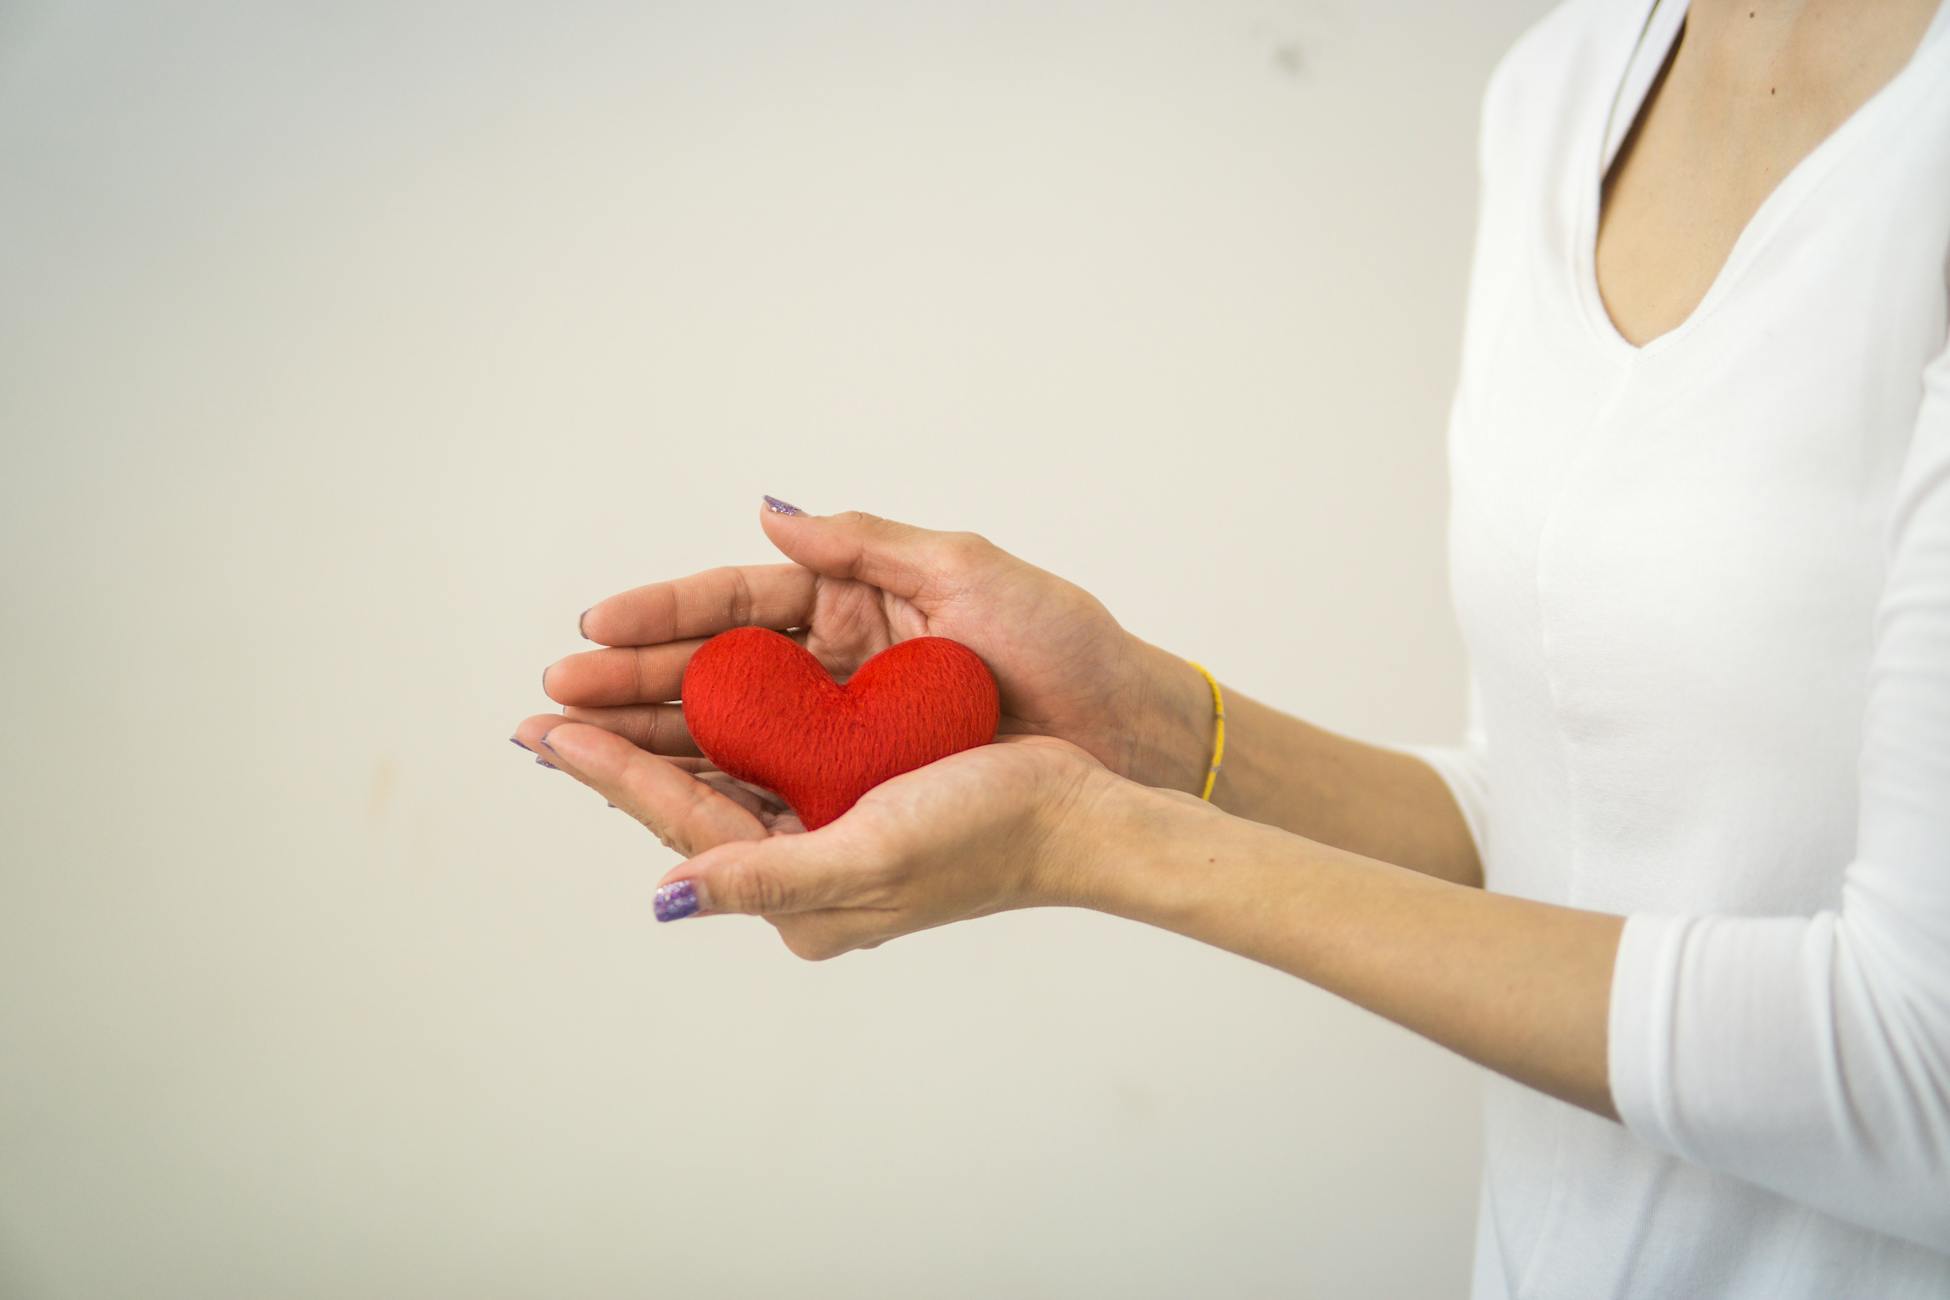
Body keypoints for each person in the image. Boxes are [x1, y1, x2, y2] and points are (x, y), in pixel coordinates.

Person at [513, 0, 1950, 1293]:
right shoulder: (1559, 87)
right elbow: (1578, 830)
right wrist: (1136, 729)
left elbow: (1922, 1076)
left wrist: (1094, 842)